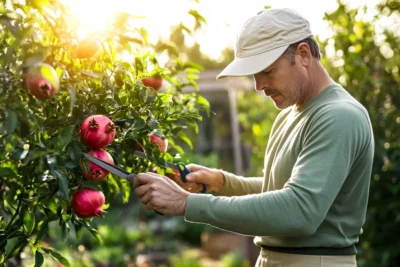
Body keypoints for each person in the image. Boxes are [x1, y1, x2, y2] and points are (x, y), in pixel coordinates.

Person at [134, 8, 375, 267]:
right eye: (254, 74)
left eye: (268, 71)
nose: (259, 85)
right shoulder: (290, 115)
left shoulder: (339, 116)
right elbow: (281, 190)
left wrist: (187, 203)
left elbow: (299, 209)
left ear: (303, 55)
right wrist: (221, 183)